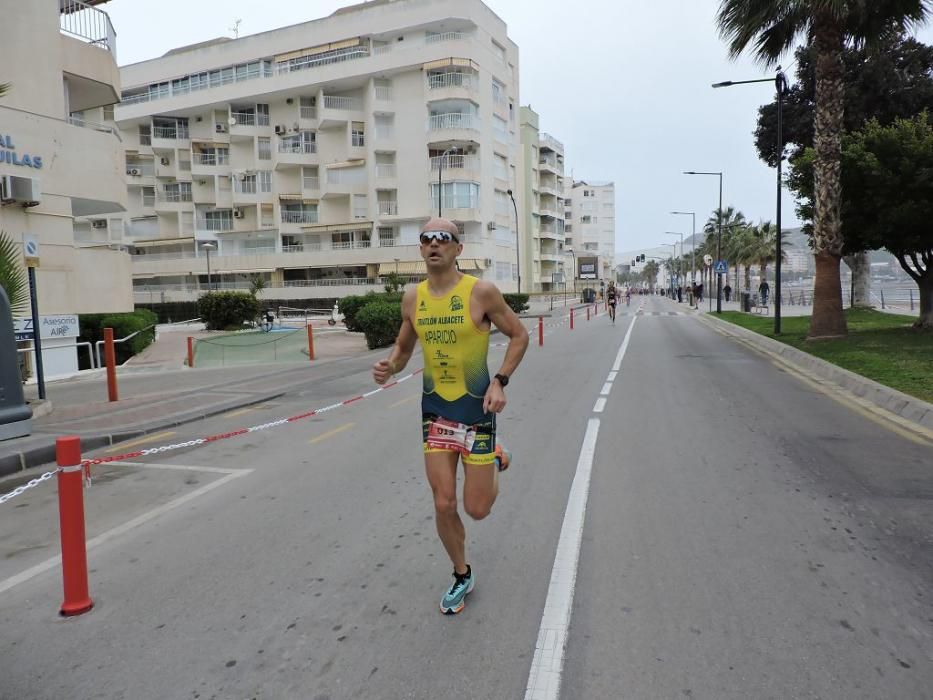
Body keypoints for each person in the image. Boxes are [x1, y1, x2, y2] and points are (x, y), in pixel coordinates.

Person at [372, 217, 529, 615]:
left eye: (444, 238)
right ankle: (461, 574)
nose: (434, 244)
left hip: (476, 411)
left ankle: (493, 455)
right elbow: (404, 349)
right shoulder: (414, 298)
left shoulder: (481, 293)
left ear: (459, 249)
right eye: (426, 239)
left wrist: (500, 381)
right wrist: (390, 365)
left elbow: (519, 334)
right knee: (443, 503)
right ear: (421, 249)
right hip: (436, 412)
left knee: (477, 508)